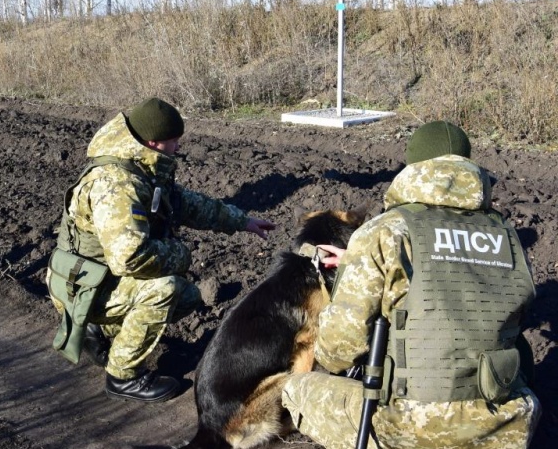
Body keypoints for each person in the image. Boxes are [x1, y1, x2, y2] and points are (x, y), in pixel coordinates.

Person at [282, 120, 541, 449]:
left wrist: (360, 265)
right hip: (507, 427)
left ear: (412, 165)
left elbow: (338, 352)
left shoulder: (385, 231)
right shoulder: (506, 234)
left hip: (410, 430)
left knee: (295, 388)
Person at [48, 97, 275, 403]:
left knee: (189, 296)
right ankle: (122, 377)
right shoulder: (117, 185)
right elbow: (129, 258)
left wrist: (242, 222)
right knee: (165, 290)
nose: (178, 147)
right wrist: (180, 255)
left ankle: (98, 332)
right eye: (174, 141)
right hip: (79, 287)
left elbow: (185, 204)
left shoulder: (141, 166)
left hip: (94, 277)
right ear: (153, 142)